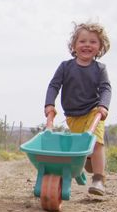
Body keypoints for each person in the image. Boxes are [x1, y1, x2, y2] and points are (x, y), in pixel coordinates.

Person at [44, 22, 112, 195]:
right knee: (80, 146)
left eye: (93, 42)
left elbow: (105, 89)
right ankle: (87, 159)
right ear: (74, 46)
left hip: (93, 112)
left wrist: (103, 106)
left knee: (96, 142)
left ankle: (98, 180)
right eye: (82, 41)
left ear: (100, 47)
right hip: (73, 116)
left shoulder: (100, 69)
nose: (87, 45)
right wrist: (49, 104)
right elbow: (54, 86)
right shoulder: (65, 67)